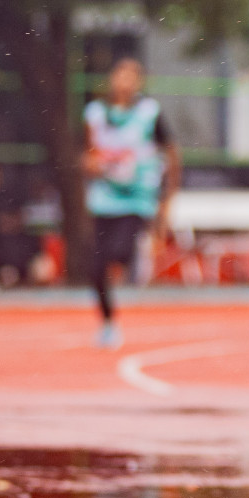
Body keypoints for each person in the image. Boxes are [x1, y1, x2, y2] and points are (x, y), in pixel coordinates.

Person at [81, 58, 180, 349]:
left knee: (119, 252)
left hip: (138, 198)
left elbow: (172, 153)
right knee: (95, 267)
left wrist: (167, 199)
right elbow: (87, 154)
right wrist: (93, 164)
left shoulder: (150, 113)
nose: (124, 81)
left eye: (131, 76)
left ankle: (134, 256)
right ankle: (108, 323)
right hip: (104, 199)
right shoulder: (96, 114)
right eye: (119, 75)